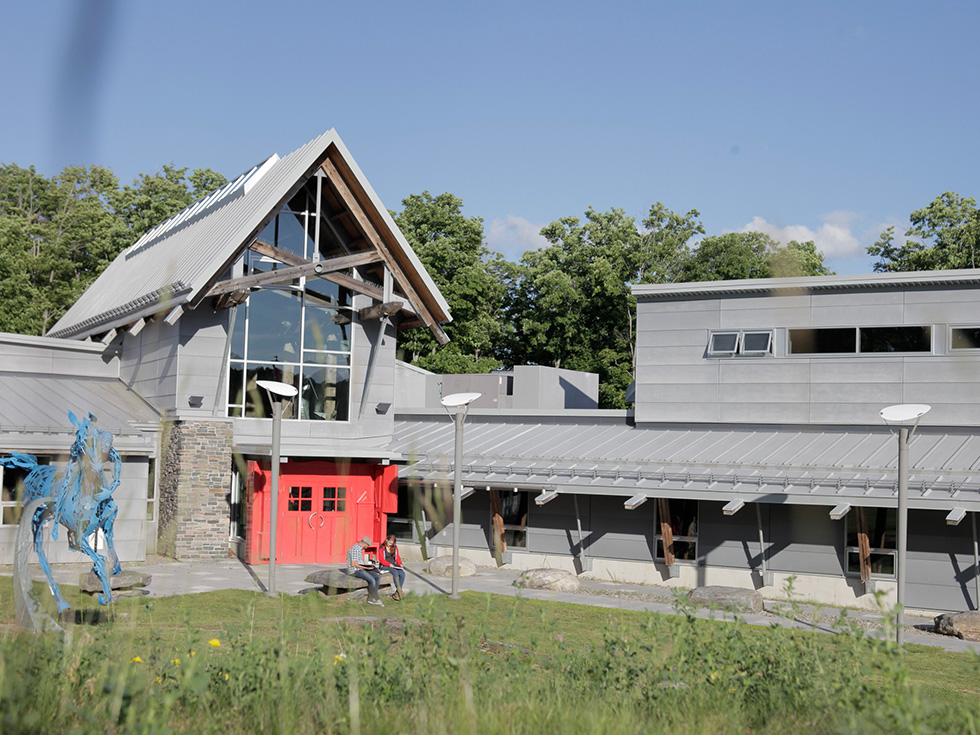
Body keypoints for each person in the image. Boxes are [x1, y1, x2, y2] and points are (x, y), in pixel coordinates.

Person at [346, 536, 383, 606]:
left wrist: (368, 567)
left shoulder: (359, 549)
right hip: (355, 570)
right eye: (368, 545)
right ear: (365, 543)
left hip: (361, 568)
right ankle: (376, 598)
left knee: (377, 577)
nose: (367, 547)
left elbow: (359, 562)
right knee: (372, 580)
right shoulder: (355, 549)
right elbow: (353, 564)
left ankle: (371, 598)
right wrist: (366, 568)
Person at [378, 534, 406, 600]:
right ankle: (399, 591)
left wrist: (400, 564)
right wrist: (389, 564)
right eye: (389, 542)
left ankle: (397, 592)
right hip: (384, 565)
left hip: (393, 565)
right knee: (395, 572)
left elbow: (397, 557)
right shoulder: (382, 548)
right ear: (387, 540)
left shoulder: (395, 548)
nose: (390, 544)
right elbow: (381, 560)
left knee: (402, 573)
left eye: (392, 543)